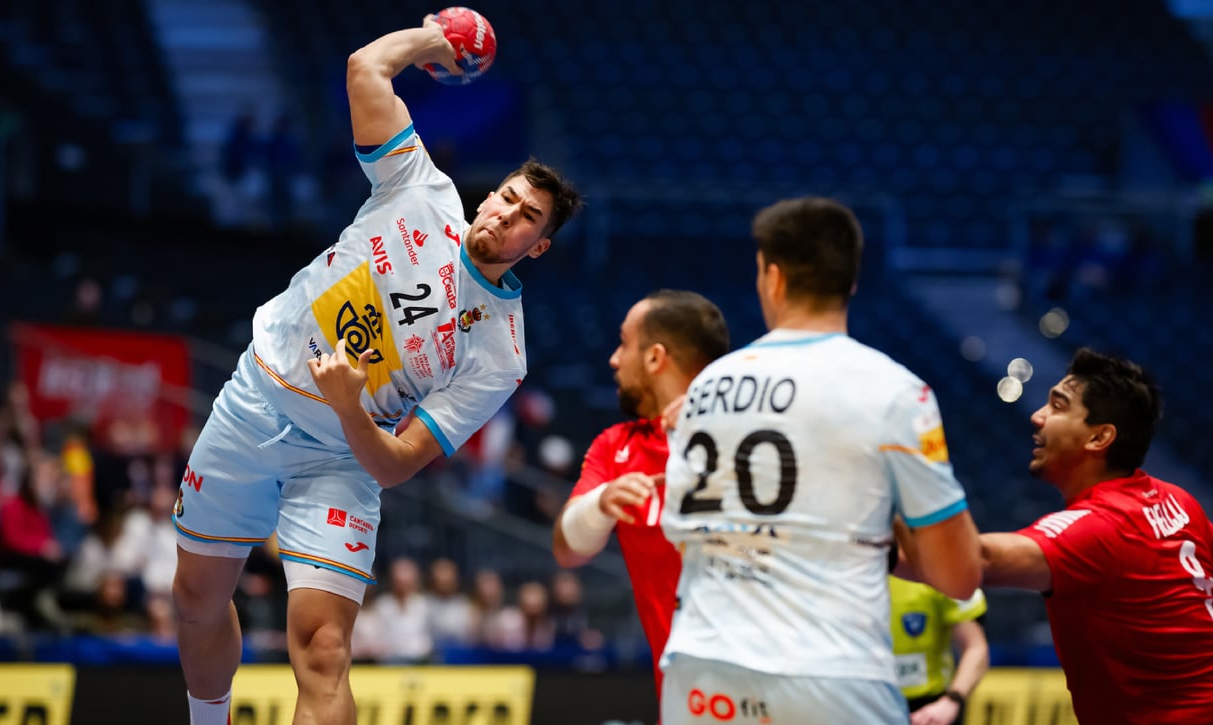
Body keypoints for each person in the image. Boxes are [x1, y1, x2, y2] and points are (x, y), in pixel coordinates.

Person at [170, 16, 583, 725]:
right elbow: (365, 69)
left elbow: (394, 466)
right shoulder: (421, 190)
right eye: (508, 198)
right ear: (488, 196)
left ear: (537, 247)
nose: (508, 215)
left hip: (341, 456)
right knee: (196, 601)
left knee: (324, 649)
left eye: (527, 219)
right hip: (256, 400)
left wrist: (349, 406)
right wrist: (431, 40)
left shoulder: (500, 353)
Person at [658, 197, 982, 724]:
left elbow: (683, 531)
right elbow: (959, 575)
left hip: (701, 670)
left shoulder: (704, 388)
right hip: (830, 674)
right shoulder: (896, 391)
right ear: (851, 282)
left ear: (773, 277)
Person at [898, 348, 1213, 723]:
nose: (1037, 416)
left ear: (1100, 437)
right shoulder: (1180, 502)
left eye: (1057, 407)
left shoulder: (1095, 529)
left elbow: (971, 562)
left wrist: (917, 463)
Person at [552, 290, 730, 697]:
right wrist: (601, 504)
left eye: (624, 343)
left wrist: (714, 417)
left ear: (654, 358)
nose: (614, 359)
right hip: (687, 702)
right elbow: (567, 549)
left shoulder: (747, 432)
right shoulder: (616, 447)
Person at [888, 575, 989, 725]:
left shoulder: (940, 572)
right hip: (863, 704)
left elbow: (975, 648)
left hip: (930, 709)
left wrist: (952, 701)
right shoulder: (848, 575)